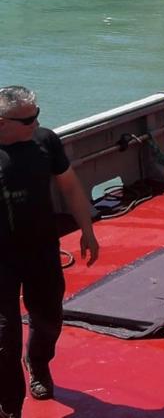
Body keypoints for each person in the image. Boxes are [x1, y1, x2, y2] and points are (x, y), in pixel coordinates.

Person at [0, 86, 99, 418]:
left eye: (37, 114)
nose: (37, 122)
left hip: (42, 250)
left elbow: (69, 185)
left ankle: (37, 361)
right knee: (4, 339)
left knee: (50, 319)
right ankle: (10, 408)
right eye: (28, 119)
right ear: (2, 123)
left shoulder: (45, 142)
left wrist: (87, 229)